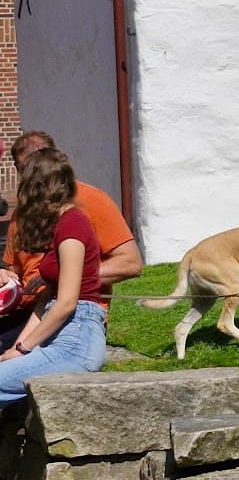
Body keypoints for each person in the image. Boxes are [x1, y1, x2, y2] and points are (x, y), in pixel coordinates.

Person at [0, 131, 142, 353]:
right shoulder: (22, 212)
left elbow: (130, 264)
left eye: (37, 167)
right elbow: (15, 270)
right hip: (30, 311)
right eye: (25, 169)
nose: (31, 177)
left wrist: (63, 276)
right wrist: (6, 277)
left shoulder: (89, 201)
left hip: (72, 313)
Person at [0, 149, 106, 402]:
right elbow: (46, 301)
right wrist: (16, 348)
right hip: (60, 334)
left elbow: (67, 302)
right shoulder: (60, 226)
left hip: (76, 341)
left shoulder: (73, 224)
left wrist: (24, 348)